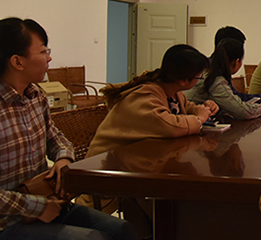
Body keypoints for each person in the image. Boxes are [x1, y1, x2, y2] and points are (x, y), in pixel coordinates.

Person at [0, 18, 137, 240]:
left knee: (125, 232)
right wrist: (36, 207)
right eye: (43, 51)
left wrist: (63, 157)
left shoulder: (34, 96)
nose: (49, 57)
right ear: (17, 61)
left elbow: (56, 137)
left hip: (45, 205)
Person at [87, 44, 217, 157]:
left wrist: (203, 108)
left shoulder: (173, 92)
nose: (199, 80)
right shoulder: (145, 96)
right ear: (183, 80)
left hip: (137, 157)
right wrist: (199, 119)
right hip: (105, 164)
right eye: (198, 77)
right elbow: (169, 126)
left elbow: (187, 107)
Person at [185, 38, 261, 119]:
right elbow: (239, 110)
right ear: (237, 62)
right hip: (190, 119)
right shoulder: (216, 80)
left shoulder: (208, 72)